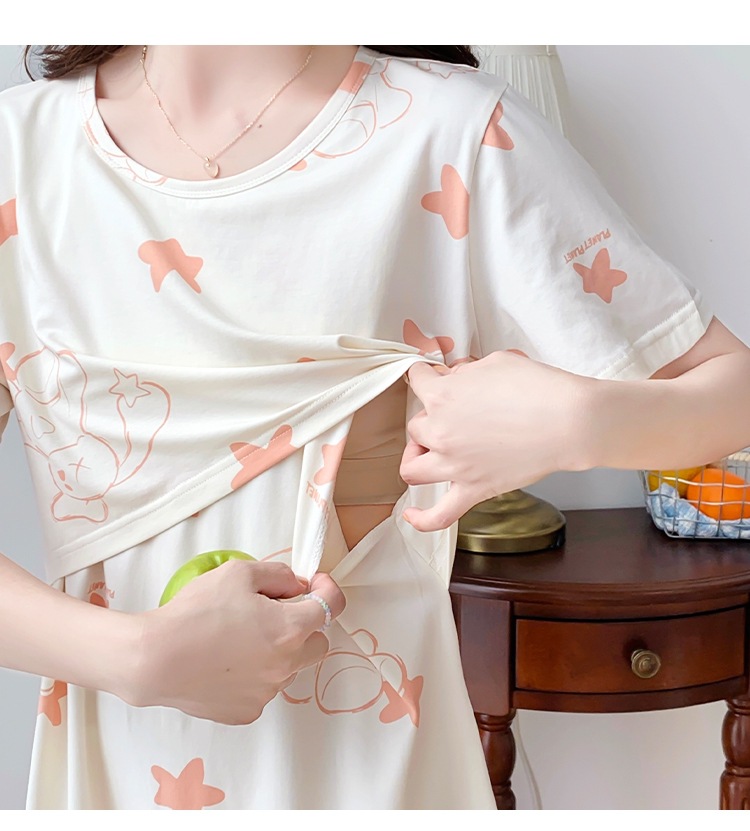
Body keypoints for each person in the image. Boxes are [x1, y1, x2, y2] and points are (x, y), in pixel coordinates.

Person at [0, 44, 740, 810]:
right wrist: (136, 656)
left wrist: (575, 422)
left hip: (373, 773)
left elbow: (734, 390)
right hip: (113, 775)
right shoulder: (20, 154)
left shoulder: (452, 132)